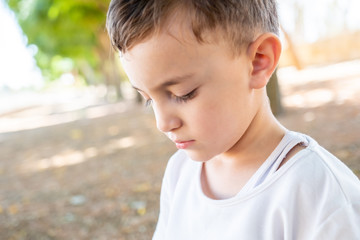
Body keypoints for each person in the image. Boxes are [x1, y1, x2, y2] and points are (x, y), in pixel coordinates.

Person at [106, 0, 360, 239]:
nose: (162, 123)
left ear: (259, 62)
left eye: (183, 94)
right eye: (148, 99)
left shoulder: (318, 193)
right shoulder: (179, 172)